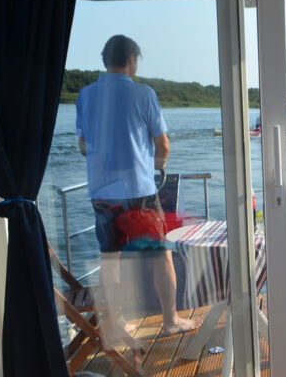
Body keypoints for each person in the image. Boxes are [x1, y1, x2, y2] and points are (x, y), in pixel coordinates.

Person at [76, 34, 199, 338]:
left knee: (110, 258)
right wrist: (154, 164)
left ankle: (117, 322)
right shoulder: (144, 94)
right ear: (131, 61)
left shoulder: (85, 95)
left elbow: (83, 146)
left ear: (106, 60)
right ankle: (170, 321)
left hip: (102, 193)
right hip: (140, 192)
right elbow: (163, 146)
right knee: (160, 254)